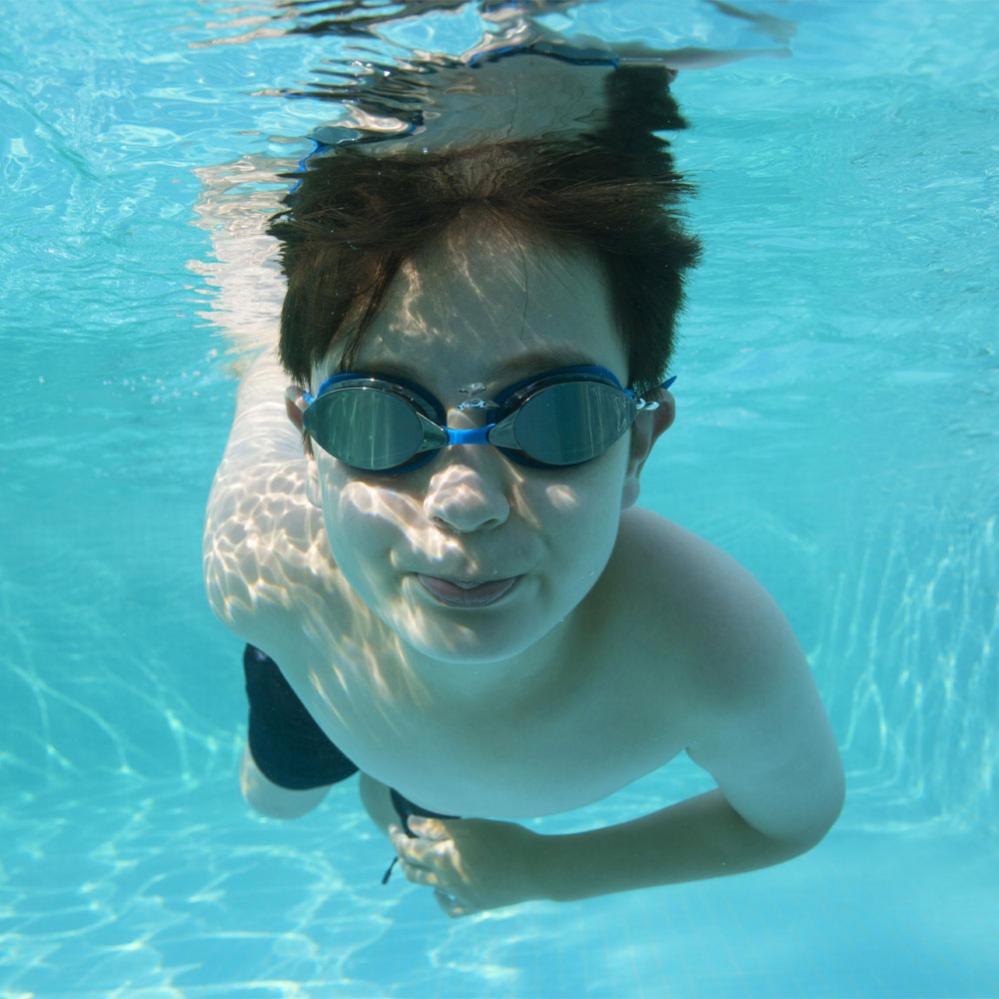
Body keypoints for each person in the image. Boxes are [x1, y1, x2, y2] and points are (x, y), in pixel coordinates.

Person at [202, 39, 842, 920]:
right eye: (375, 419)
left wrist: (544, 869)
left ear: (637, 446)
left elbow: (791, 817)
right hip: (323, 671)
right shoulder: (258, 566)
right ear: (311, 446)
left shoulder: (707, 647)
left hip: (432, 745)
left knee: (408, 805)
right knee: (274, 800)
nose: (463, 502)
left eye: (557, 418)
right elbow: (266, 392)